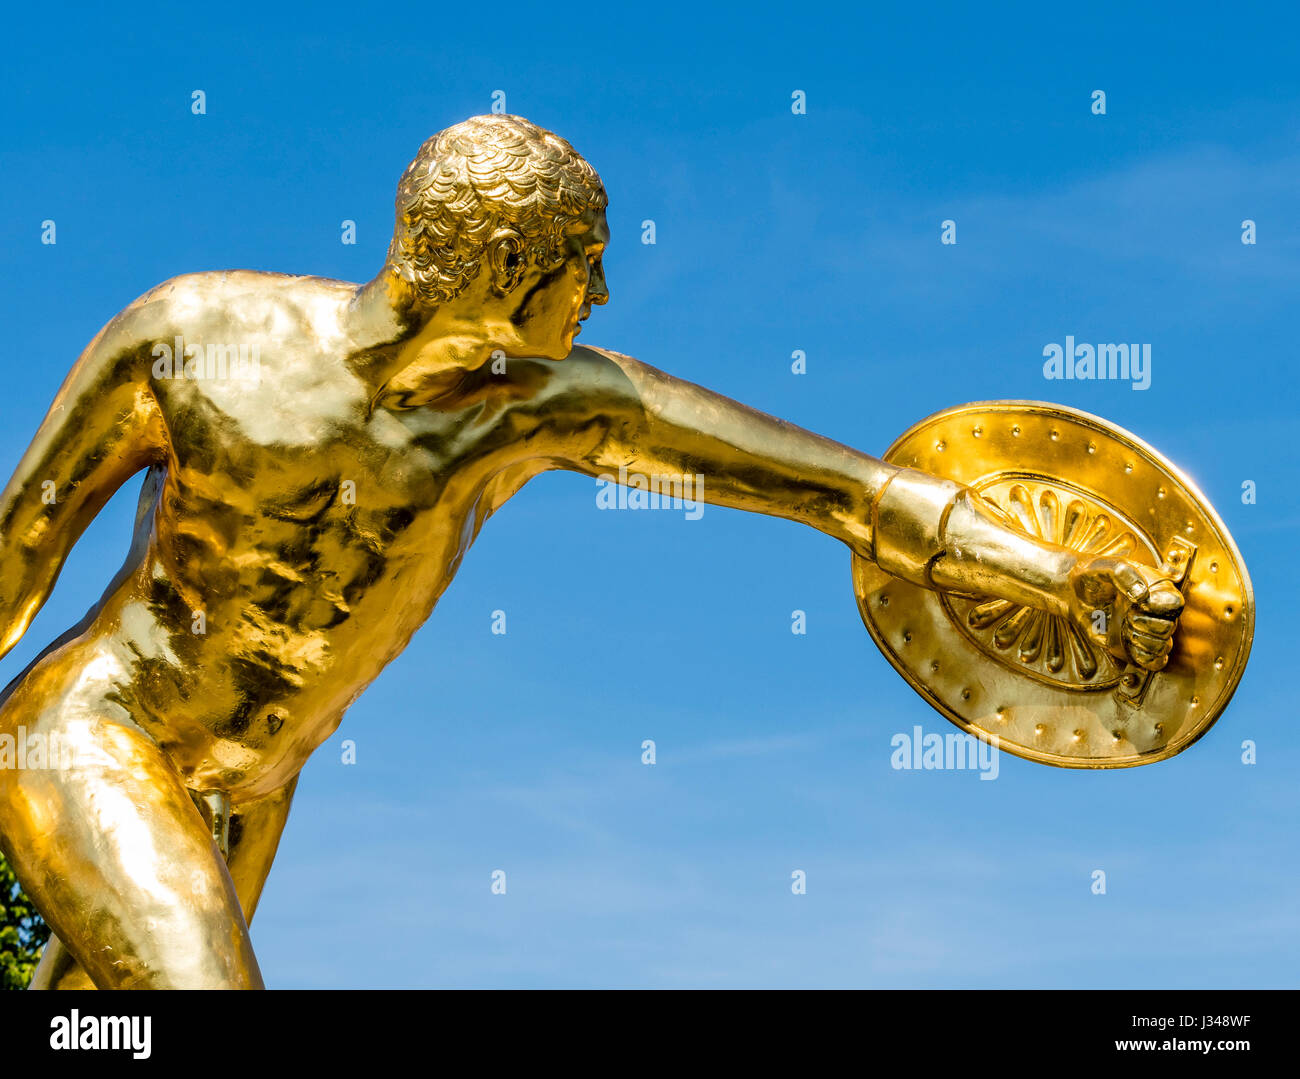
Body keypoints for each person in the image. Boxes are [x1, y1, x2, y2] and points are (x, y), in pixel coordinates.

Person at [0, 115, 1181, 989]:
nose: (602, 296)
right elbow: (18, 557)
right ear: (510, 271)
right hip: (89, 734)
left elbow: (848, 493)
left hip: (245, 786)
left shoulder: (537, 407)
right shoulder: (192, 337)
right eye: (587, 266)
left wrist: (1066, 576)